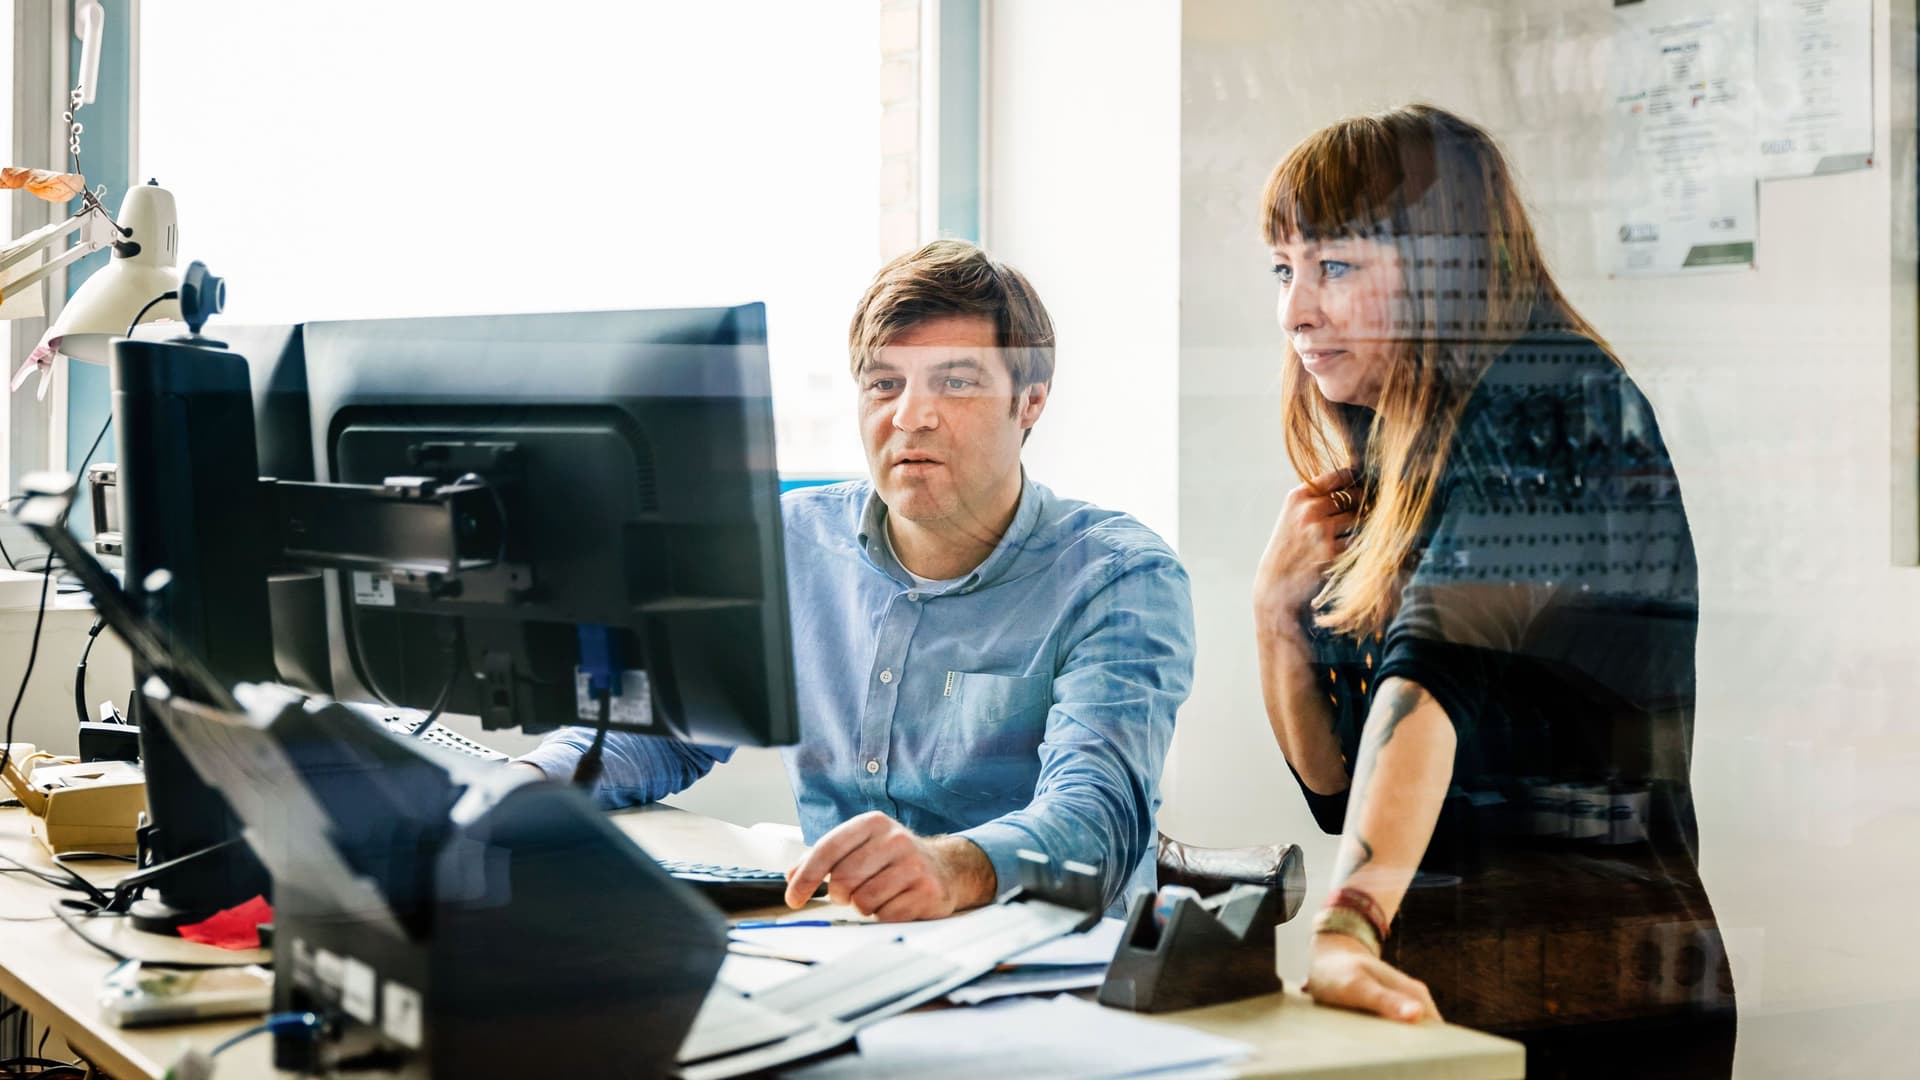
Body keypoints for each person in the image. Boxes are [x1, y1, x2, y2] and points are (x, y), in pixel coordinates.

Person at [1252, 105, 1733, 1077]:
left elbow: (1433, 682)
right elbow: (1341, 789)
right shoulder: (1397, 440)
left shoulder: (1553, 402)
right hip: (1443, 971)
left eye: (1335, 266)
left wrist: (1345, 928)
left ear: (1443, 264)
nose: (1295, 310)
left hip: (1592, 984)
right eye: (1284, 269)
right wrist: (1274, 621)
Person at [515, 239, 1194, 921]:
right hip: (841, 947)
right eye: (883, 384)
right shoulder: (789, 543)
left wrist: (951, 867)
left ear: (1031, 402)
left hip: (1049, 972)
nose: (909, 416)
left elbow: (1097, 817)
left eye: (955, 382)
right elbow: (666, 726)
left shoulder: (1118, 577)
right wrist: (521, 784)